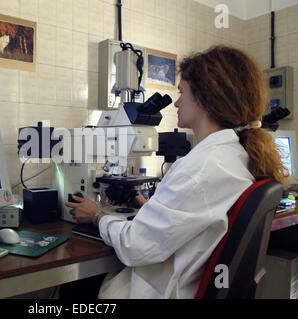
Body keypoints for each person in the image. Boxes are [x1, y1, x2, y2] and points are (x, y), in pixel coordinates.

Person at [65, 45, 289, 299]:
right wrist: (146, 205)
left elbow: (135, 246)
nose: (177, 103)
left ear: (206, 97)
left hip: (164, 291)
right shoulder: (235, 156)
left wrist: (96, 216)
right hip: (185, 281)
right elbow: (196, 217)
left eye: (182, 92)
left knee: (74, 288)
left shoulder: (202, 165)